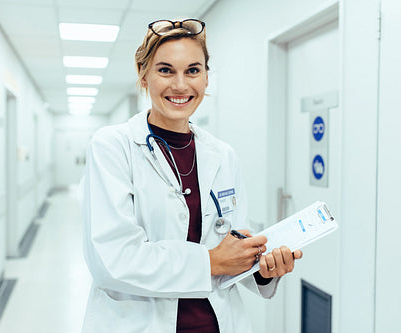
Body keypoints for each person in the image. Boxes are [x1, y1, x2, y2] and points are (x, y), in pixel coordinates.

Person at [80, 18, 303, 333]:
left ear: (207, 78)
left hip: (215, 323)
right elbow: (111, 259)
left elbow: (231, 243)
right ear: (143, 76)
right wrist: (211, 261)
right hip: (137, 323)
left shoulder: (222, 154)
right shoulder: (113, 147)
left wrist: (261, 269)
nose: (181, 85)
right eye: (165, 70)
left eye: (193, 70)